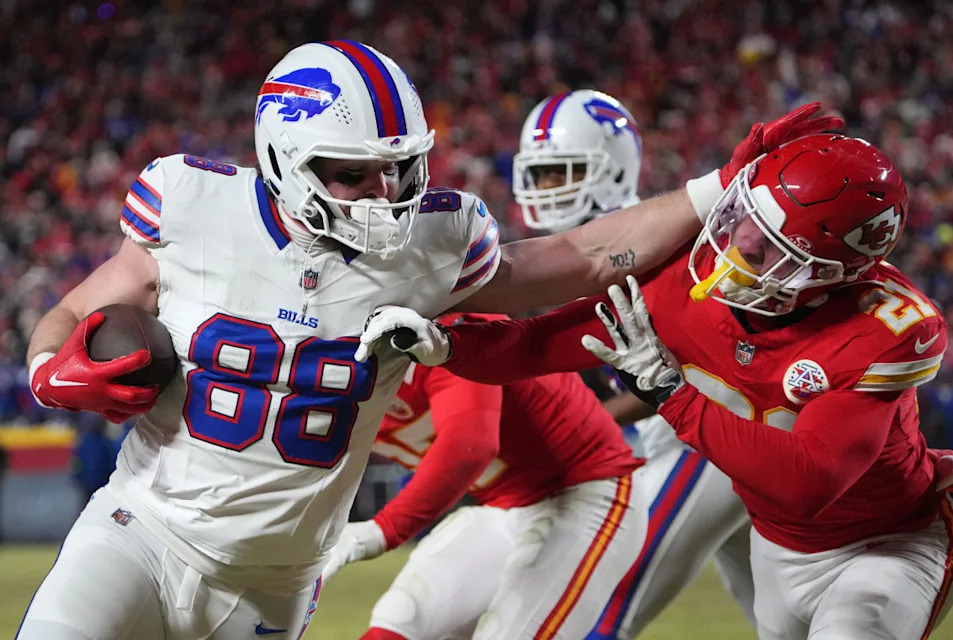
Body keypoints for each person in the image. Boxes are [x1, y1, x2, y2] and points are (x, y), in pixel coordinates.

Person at [18, 33, 834, 635]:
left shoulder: (434, 247)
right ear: (281, 157)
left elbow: (582, 255)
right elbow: (69, 314)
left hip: (276, 583)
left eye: (400, 167)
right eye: (352, 173)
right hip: (142, 532)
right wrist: (47, 365)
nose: (385, 193)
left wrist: (719, 186)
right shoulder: (190, 207)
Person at [358, 133, 953, 638]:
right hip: (778, 547)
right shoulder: (685, 286)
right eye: (739, 221)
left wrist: (672, 394)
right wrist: (449, 347)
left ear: (829, 275)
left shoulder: (881, 330)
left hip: (890, 539)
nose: (732, 249)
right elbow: (539, 343)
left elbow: (808, 482)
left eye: (765, 248)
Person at [512, 88, 755, 636]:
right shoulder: (584, 250)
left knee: (600, 606)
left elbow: (681, 373)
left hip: (710, 433)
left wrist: (588, 423)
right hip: (706, 436)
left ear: (611, 166)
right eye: (542, 174)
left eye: (563, 171)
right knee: (783, 619)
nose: (548, 189)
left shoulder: (647, 244)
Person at [322, 311, 646, 640]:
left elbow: (470, 443)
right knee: (400, 621)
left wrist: (379, 531)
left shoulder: (438, 332)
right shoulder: (320, 370)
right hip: (502, 508)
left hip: (588, 491)